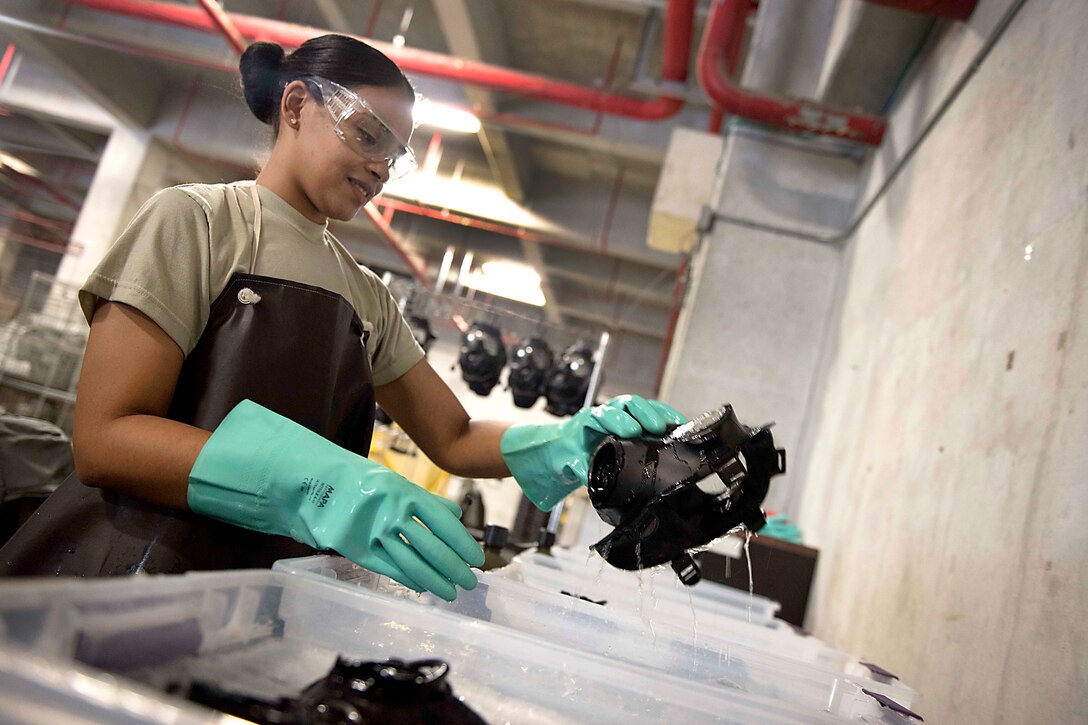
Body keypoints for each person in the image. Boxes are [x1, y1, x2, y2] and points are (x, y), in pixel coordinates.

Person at [0, 35, 685, 601]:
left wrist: (570, 438)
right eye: (367, 135)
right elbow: (106, 434)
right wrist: (315, 481)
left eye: (396, 153)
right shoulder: (199, 221)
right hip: (123, 578)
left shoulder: (365, 296)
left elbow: (454, 433)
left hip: (262, 593)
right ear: (296, 105)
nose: (382, 166)